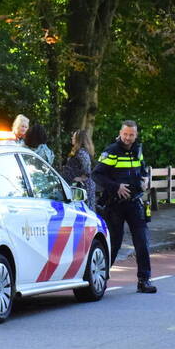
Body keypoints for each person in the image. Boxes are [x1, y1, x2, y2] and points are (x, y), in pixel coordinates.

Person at [92, 120, 156, 294]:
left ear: (136, 135)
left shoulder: (138, 151)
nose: (128, 138)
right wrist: (116, 187)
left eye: (132, 135)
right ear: (120, 133)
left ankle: (144, 280)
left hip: (135, 202)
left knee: (142, 242)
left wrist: (146, 179)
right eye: (125, 134)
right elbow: (96, 175)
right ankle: (100, 280)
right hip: (115, 205)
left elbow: (143, 171)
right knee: (114, 244)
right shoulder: (111, 152)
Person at [61, 129, 96, 209]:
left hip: (83, 188)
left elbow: (87, 168)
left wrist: (80, 178)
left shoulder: (81, 152)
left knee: (84, 211)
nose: (72, 138)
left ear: (79, 139)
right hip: (80, 187)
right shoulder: (79, 151)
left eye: (74, 137)